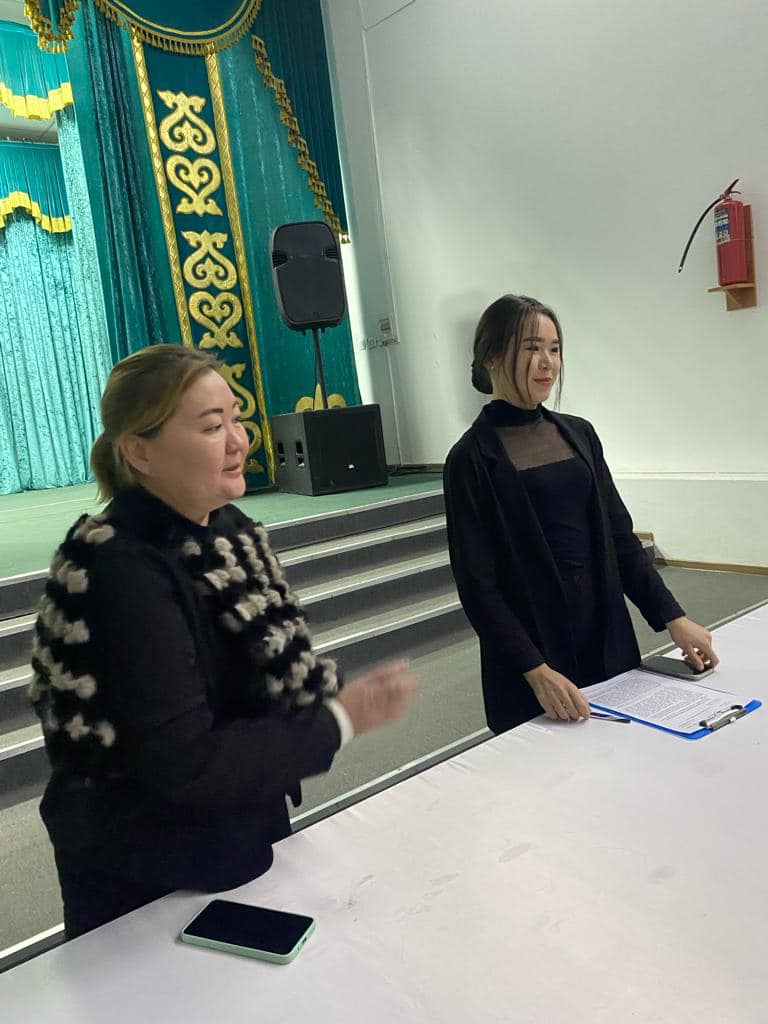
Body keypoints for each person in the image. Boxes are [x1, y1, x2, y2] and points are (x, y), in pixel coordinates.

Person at [30, 344, 418, 939]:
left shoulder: (227, 529)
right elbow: (183, 765)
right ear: (140, 450)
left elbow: (265, 667)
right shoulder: (120, 569)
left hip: (233, 835)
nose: (239, 440)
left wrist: (318, 699)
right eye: (212, 427)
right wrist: (339, 719)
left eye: (236, 419)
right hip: (151, 876)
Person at [443, 295, 717, 734]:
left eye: (554, 349)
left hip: (605, 637)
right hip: (534, 662)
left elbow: (620, 538)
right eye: (532, 347)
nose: (547, 362)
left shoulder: (579, 434)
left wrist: (673, 617)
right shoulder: (471, 459)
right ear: (492, 356)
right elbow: (478, 587)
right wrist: (534, 669)